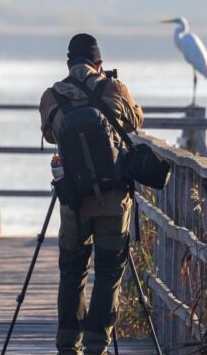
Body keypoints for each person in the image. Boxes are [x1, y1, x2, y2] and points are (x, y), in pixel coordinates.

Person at [39, 33, 144, 355]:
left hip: (74, 199)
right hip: (113, 199)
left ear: (69, 64)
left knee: (72, 268)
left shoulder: (52, 95)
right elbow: (135, 121)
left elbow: (48, 134)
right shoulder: (113, 88)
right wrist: (115, 89)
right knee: (110, 269)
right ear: (98, 63)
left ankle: (68, 344)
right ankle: (98, 344)